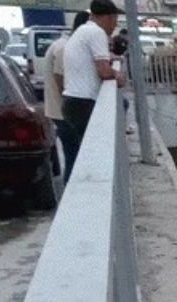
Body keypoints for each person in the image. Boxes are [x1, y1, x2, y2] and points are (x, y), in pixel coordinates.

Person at [62, 0, 126, 177]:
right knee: (96, 157)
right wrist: (118, 75)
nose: (114, 26)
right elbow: (104, 71)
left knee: (85, 155)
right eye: (115, 20)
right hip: (83, 103)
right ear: (109, 17)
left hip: (72, 102)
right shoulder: (96, 33)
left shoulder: (82, 31)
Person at [47, 13, 88, 182]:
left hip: (63, 112)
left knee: (73, 154)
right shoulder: (65, 48)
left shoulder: (64, 45)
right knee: (74, 156)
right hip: (64, 113)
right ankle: (74, 196)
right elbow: (60, 78)